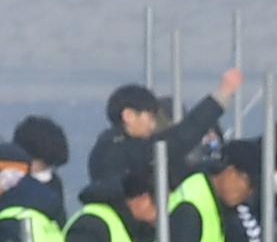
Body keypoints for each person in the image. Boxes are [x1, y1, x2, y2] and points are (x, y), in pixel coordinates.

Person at [87, 66, 240, 202]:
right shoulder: (120, 151)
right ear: (129, 115)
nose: (153, 125)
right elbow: (179, 138)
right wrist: (222, 95)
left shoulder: (112, 147)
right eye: (150, 117)